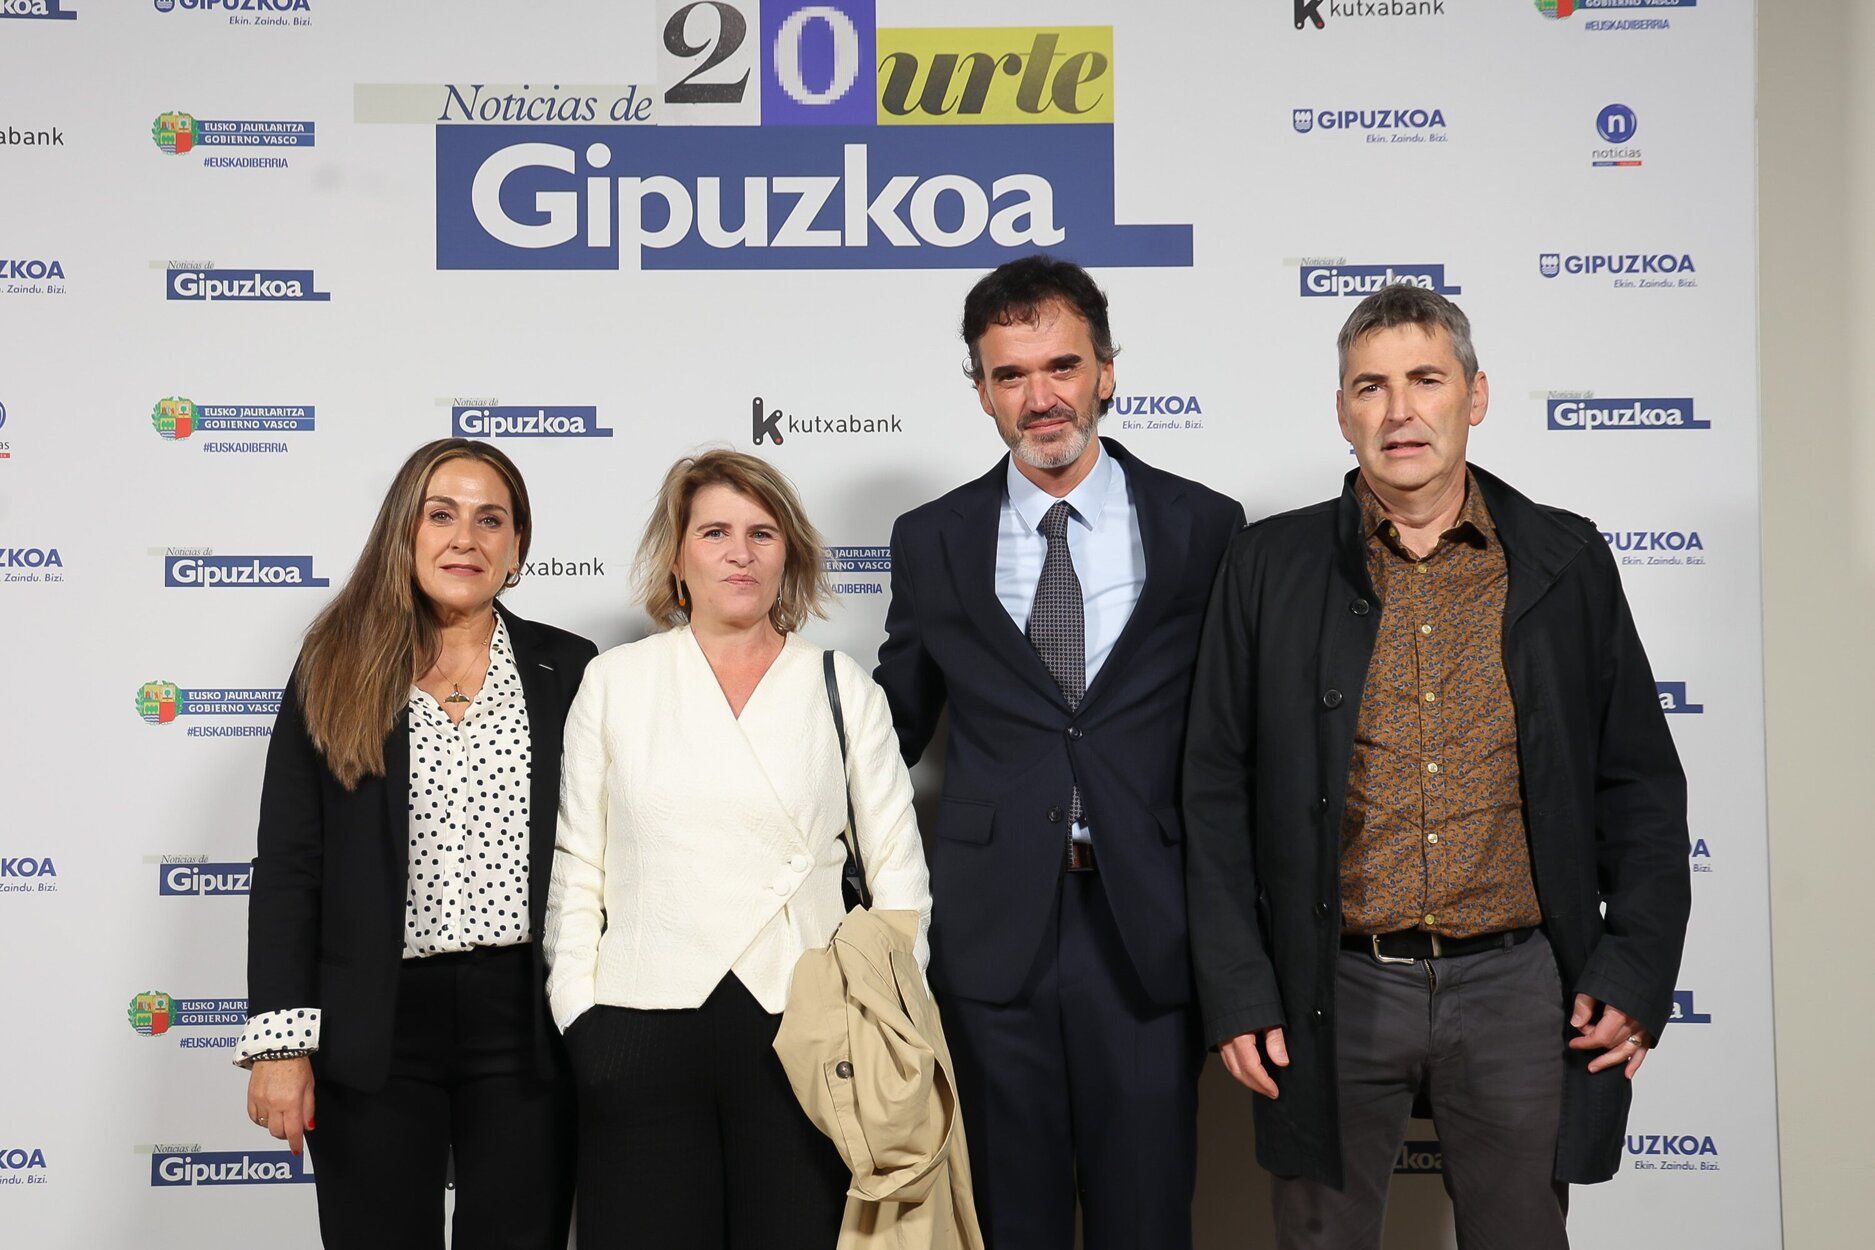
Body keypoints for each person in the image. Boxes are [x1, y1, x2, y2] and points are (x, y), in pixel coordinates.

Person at [1183, 284, 1693, 1249]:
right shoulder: (1267, 566)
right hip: (1329, 985)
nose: (1398, 410)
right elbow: (1211, 794)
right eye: (1368, 387)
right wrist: (1239, 990)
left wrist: (1635, 968)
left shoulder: (1564, 557)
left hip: (1516, 987)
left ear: (1476, 394)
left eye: (1425, 379)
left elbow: (1639, 784)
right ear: (1341, 412)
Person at [874, 254, 1245, 1249]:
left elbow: (1239, 734)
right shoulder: (933, 538)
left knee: (1146, 1216)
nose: (1040, 398)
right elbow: (891, 724)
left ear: (1107, 372)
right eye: (1009, 375)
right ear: (982, 389)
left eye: (1062, 367)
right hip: (997, 928)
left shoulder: (1205, 527)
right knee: (1010, 1216)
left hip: (1148, 921)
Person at [545, 449, 933, 1250]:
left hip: (806, 1034)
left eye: (761, 532)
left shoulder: (840, 685)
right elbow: (579, 866)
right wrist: (582, 1020)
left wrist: (880, 1025)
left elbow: (899, 876)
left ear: (787, 551)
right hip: (639, 1027)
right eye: (714, 531)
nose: (739, 552)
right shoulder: (617, 682)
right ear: (678, 554)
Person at [242, 438, 596, 1249]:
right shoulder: (335, 664)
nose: (463, 539)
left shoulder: (569, 667)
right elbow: (290, 865)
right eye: (441, 515)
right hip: (375, 1027)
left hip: (528, 1028)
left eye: (489, 520)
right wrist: (279, 1044)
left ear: (517, 548)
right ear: (404, 531)